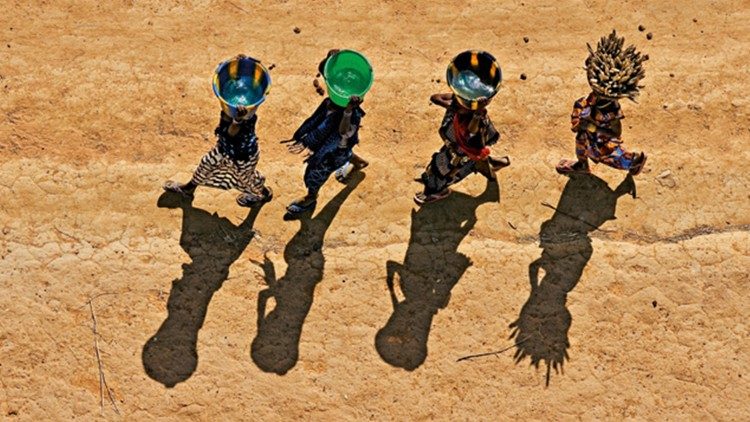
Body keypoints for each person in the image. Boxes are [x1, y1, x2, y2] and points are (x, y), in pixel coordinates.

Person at [163, 54, 273, 207]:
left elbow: (231, 134)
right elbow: (223, 71)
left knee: (246, 179)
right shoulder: (236, 112)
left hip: (243, 157)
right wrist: (241, 61)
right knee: (206, 164)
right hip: (224, 150)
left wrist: (237, 120)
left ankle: (262, 195)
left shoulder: (242, 122)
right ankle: (189, 189)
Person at [282, 50, 368, 219]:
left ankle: (311, 197)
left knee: (314, 175)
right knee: (344, 149)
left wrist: (348, 112)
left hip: (332, 154)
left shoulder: (350, 117)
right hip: (339, 146)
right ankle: (359, 162)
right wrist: (332, 62)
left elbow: (343, 133)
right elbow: (324, 69)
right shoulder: (332, 103)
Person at [556, 30, 648, 176]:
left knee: (611, 157)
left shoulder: (612, 110)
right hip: (586, 136)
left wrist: (592, 127)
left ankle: (635, 161)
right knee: (580, 142)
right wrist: (581, 124)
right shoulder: (590, 101)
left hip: (601, 142)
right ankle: (582, 165)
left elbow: (616, 133)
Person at [414, 93, 509, 205]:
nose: (457, 104)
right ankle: (492, 163)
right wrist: (453, 103)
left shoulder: (474, 125)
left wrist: (450, 175)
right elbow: (435, 98)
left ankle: (437, 191)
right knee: (472, 161)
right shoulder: (459, 105)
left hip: (463, 153)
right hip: (458, 147)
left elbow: (471, 133)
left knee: (441, 172)